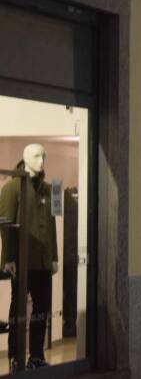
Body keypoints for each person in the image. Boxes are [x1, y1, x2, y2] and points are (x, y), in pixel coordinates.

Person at [0, 144, 58, 370]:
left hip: (43, 262)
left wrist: (54, 256)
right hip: (22, 262)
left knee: (42, 310)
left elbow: (52, 225)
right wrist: (8, 259)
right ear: (25, 158)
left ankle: (36, 356)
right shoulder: (11, 189)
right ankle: (15, 356)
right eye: (36, 156)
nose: (42, 160)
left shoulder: (49, 189)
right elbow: (6, 228)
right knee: (18, 311)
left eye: (44, 155)